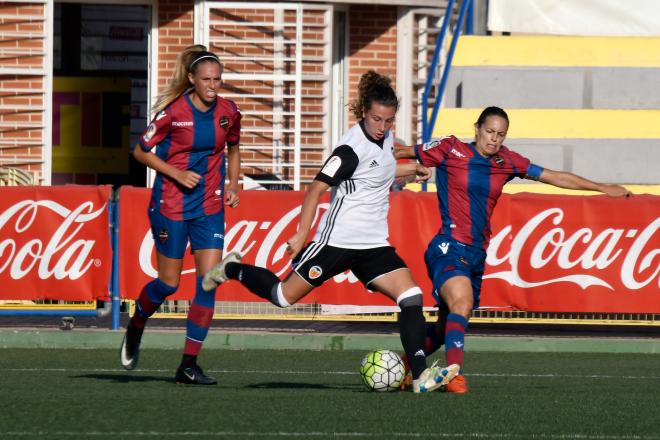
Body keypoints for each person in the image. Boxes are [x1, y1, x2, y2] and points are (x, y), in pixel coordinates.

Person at [203, 70, 460, 393]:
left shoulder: (386, 141)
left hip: (372, 245)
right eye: (377, 120)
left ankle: (421, 375)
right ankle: (231, 268)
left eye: (389, 121)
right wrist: (301, 234)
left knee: (411, 297)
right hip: (335, 242)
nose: (382, 127)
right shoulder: (348, 151)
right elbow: (315, 189)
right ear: (364, 113)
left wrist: (412, 170)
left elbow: (381, 168)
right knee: (283, 297)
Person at [395, 106, 632, 393]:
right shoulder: (450, 149)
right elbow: (401, 153)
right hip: (447, 245)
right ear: (477, 128)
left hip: (476, 255)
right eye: (489, 132)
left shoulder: (506, 161)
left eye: (500, 135)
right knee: (462, 302)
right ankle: (454, 374)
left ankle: (403, 367)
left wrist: (602, 187)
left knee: (448, 327)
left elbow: (554, 176)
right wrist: (388, 165)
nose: (494, 139)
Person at [119, 45, 241, 385]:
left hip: (210, 207)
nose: (213, 85)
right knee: (168, 283)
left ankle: (188, 365)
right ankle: (137, 324)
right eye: (206, 79)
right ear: (192, 79)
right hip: (171, 205)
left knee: (209, 280)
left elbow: (233, 146)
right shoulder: (173, 113)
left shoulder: (229, 110)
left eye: (218, 79)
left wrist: (233, 184)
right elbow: (140, 152)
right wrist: (175, 172)